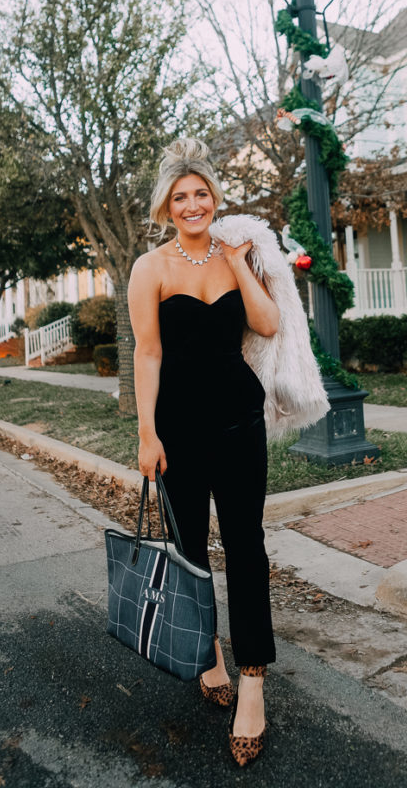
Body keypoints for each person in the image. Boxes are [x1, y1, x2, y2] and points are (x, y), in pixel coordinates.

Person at [128, 137, 279, 767]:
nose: (192, 205)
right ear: (166, 205)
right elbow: (147, 352)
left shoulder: (238, 254)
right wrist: (145, 433)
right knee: (191, 549)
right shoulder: (150, 268)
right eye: (180, 196)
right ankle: (206, 653)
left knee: (245, 547)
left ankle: (252, 683)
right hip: (179, 431)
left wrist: (241, 263)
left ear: (215, 197)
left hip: (239, 422)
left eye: (202, 194)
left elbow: (267, 324)